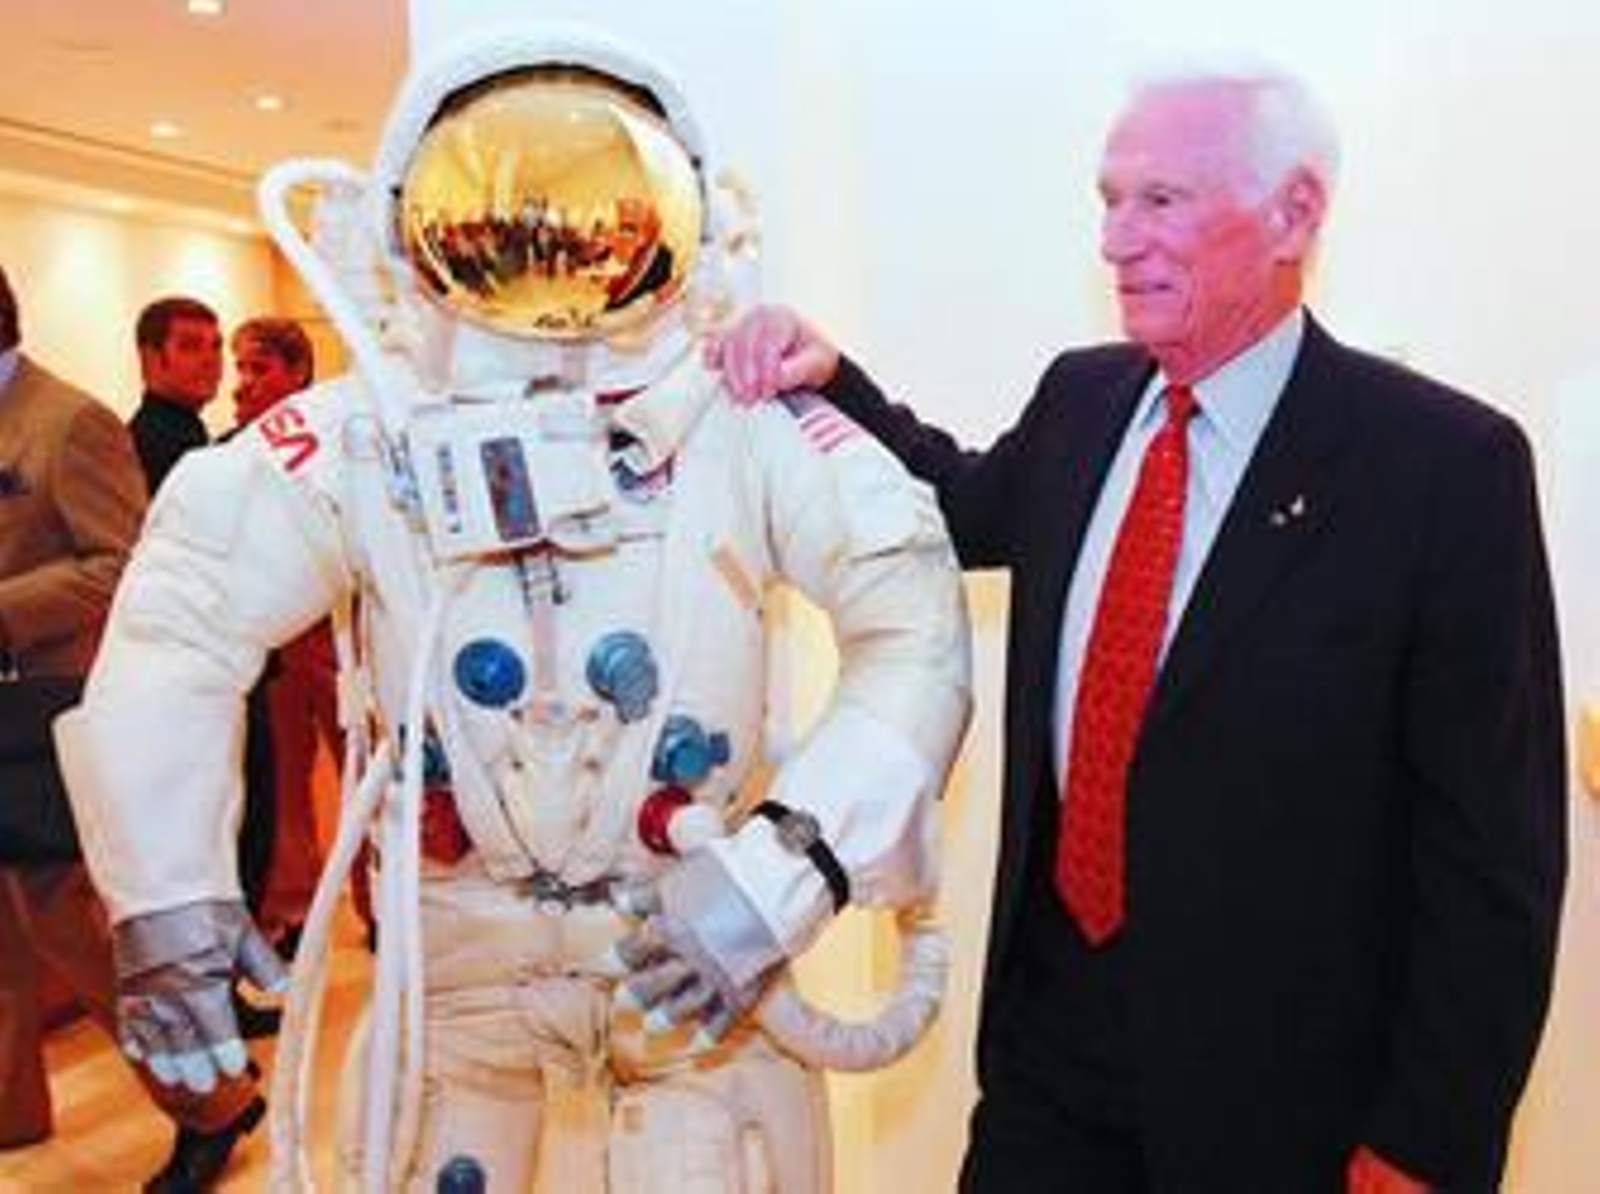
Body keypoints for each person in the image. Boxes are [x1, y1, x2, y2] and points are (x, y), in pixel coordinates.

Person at [59, 23, 971, 1193]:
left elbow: (914, 623)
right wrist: (166, 890)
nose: (549, 262)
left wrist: (778, 874)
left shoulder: (737, 421)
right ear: (407, 220)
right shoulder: (364, 433)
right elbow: (178, 620)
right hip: (456, 969)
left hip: (691, 948)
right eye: (494, 220)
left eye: (594, 220)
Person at [715, 66, 1566, 1193]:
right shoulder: (1083, 399)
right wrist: (830, 380)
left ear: (1293, 214)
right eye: (1107, 199)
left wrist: (1427, 1142)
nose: (1116, 240)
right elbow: (955, 506)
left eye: (1158, 201)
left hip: (1284, 1104)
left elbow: (1492, 859)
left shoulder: (1442, 470)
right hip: (1050, 1060)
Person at [0, 264, 265, 1191]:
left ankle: (215, 1100)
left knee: (78, 929)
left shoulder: (68, 422)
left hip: (44, 714)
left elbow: (122, 563)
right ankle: (13, 1113)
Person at [228, 316, 334, 958]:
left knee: (362, 774)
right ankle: (294, 911)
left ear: (296, 372)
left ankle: (378, 900)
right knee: (287, 783)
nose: (243, 382)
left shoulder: (331, 436)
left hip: (338, 631)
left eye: (257, 367)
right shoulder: (235, 449)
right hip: (275, 641)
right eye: (240, 368)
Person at [127, 296, 224, 494]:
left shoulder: (185, 429)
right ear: (150, 359)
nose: (210, 360)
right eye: (190, 346)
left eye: (216, 346)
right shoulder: (158, 443)